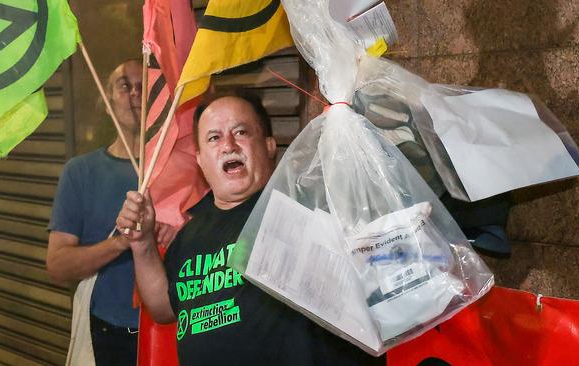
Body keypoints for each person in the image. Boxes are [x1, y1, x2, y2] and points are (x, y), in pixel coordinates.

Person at [116, 94, 385, 365]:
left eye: (241, 132)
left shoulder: (303, 205)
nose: (228, 146)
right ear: (199, 159)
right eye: (214, 138)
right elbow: (163, 308)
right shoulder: (189, 234)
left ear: (269, 145)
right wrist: (142, 243)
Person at [47, 59, 145, 365]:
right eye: (125, 85)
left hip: (170, 332)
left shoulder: (183, 167)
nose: (135, 94)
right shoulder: (80, 172)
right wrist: (119, 243)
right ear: (106, 102)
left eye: (145, 87)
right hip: (106, 336)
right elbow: (58, 265)